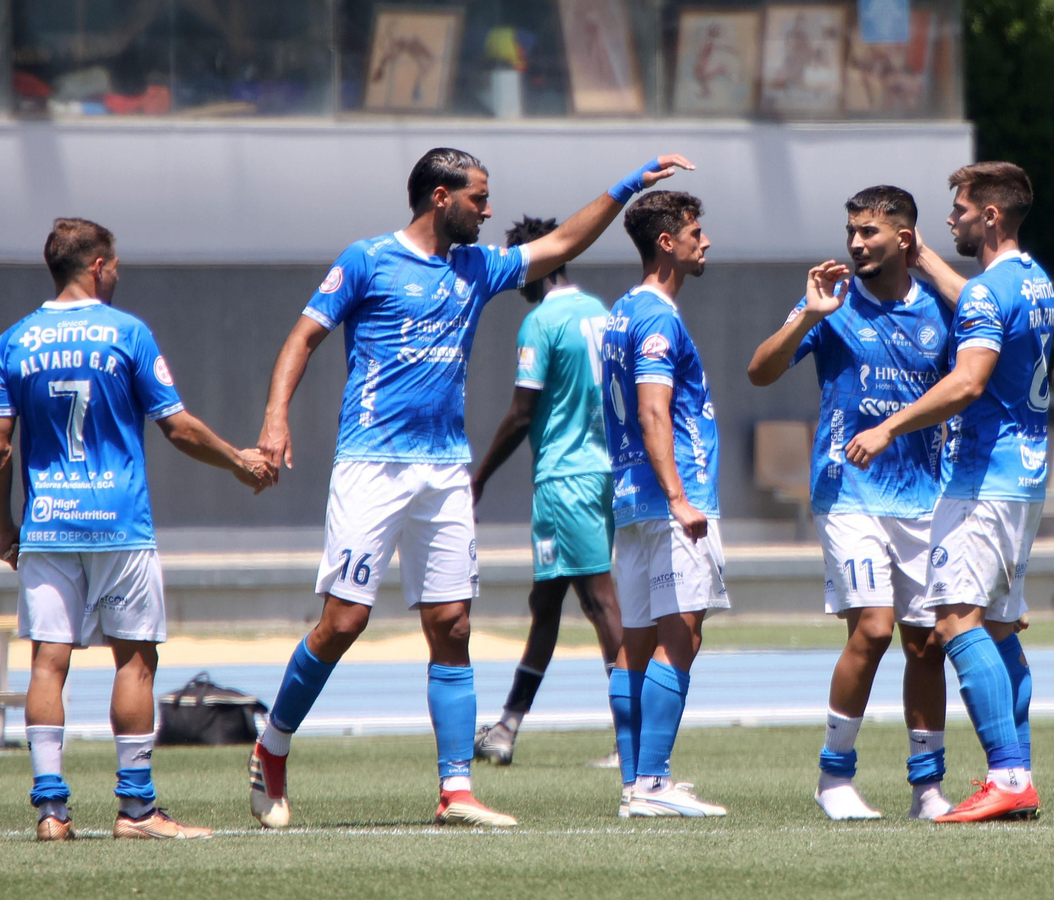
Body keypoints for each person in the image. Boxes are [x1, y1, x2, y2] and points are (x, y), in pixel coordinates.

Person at [248, 148, 694, 830]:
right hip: (372, 465)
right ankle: (273, 746)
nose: (487, 211)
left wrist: (630, 183)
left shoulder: (478, 269)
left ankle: (455, 788)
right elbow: (302, 338)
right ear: (438, 198)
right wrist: (276, 419)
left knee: (453, 624)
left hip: (445, 470)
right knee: (345, 622)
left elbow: (566, 240)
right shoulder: (367, 259)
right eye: (477, 199)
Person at [0, 218, 272, 841]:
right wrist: (238, 460)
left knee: (47, 665)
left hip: (47, 525)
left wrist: (3, 524)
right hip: (118, 523)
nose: (118, 274)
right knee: (135, 662)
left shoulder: (12, 342)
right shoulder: (127, 334)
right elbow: (179, 427)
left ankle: (52, 812)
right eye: (115, 265)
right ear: (98, 266)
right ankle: (137, 811)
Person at [845, 161, 1052, 822]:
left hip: (981, 482)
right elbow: (980, 302)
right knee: (997, 628)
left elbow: (966, 383)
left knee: (956, 618)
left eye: (959, 210)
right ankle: (1015, 771)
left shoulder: (990, 294)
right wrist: (927, 257)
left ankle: (1009, 774)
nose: (950, 218)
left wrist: (888, 427)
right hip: (1025, 478)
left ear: (989, 215)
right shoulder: (1035, 281)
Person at [746, 186, 955, 821]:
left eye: (870, 232)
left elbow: (968, 386)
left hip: (925, 496)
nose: (857, 243)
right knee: (873, 628)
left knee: (925, 644)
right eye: (852, 231)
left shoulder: (942, 312)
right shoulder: (830, 304)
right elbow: (759, 370)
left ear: (905, 239)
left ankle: (927, 789)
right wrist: (808, 316)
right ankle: (834, 777)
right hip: (848, 494)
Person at [469, 215, 624, 769]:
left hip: (564, 476)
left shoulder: (541, 323)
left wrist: (478, 477)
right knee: (547, 602)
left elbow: (520, 413)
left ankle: (630, 740)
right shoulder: (603, 316)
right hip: (604, 470)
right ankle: (507, 726)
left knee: (599, 601)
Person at [602, 190, 727, 818]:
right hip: (669, 500)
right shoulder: (657, 317)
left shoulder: (621, 312)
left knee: (636, 640)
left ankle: (635, 783)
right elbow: (653, 408)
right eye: (695, 232)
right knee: (680, 638)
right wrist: (680, 497)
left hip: (631, 502)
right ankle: (653, 783)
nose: (705, 241)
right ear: (666, 243)